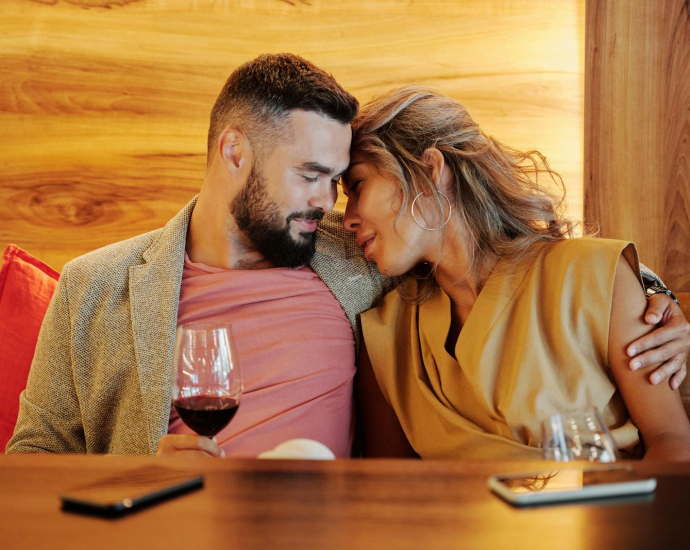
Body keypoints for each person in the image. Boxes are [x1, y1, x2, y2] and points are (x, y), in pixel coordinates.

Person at [5, 56, 687, 459]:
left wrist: (662, 306)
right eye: (311, 175)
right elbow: (29, 463)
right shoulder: (95, 286)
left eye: (341, 181)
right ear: (234, 151)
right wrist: (141, 477)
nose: (330, 205)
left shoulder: (357, 264)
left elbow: (527, 270)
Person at [342, 86, 690, 460]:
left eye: (358, 186)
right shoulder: (385, 336)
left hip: (602, 513)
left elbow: (672, 441)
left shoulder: (593, 275)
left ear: (430, 170)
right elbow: (388, 489)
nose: (346, 219)